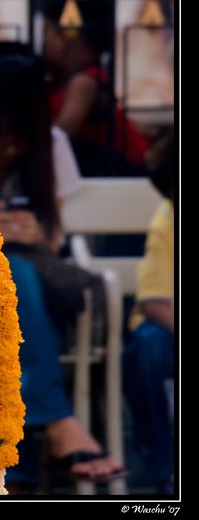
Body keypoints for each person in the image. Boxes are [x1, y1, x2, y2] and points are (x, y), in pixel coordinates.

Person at [0, 41, 125, 488]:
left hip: (45, 281)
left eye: (18, 124)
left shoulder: (50, 143)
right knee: (9, 275)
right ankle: (52, 428)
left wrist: (34, 232)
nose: (9, 138)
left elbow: (56, 237)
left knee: (19, 274)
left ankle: (14, 458)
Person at [43, 0, 149, 177]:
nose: (44, 42)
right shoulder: (67, 79)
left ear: (67, 37)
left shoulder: (84, 80)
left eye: (47, 32)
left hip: (127, 172)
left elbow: (63, 133)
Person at [123, 132, 175, 494]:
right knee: (149, 345)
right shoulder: (169, 218)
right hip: (168, 330)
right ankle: (164, 472)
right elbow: (156, 303)